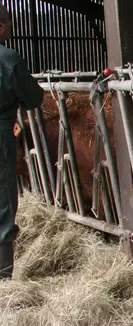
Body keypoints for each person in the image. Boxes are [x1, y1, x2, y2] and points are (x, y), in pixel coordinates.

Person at [0, 5, 43, 279]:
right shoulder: (8, 59)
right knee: (3, 199)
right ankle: (3, 280)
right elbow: (34, 98)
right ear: (1, 26)